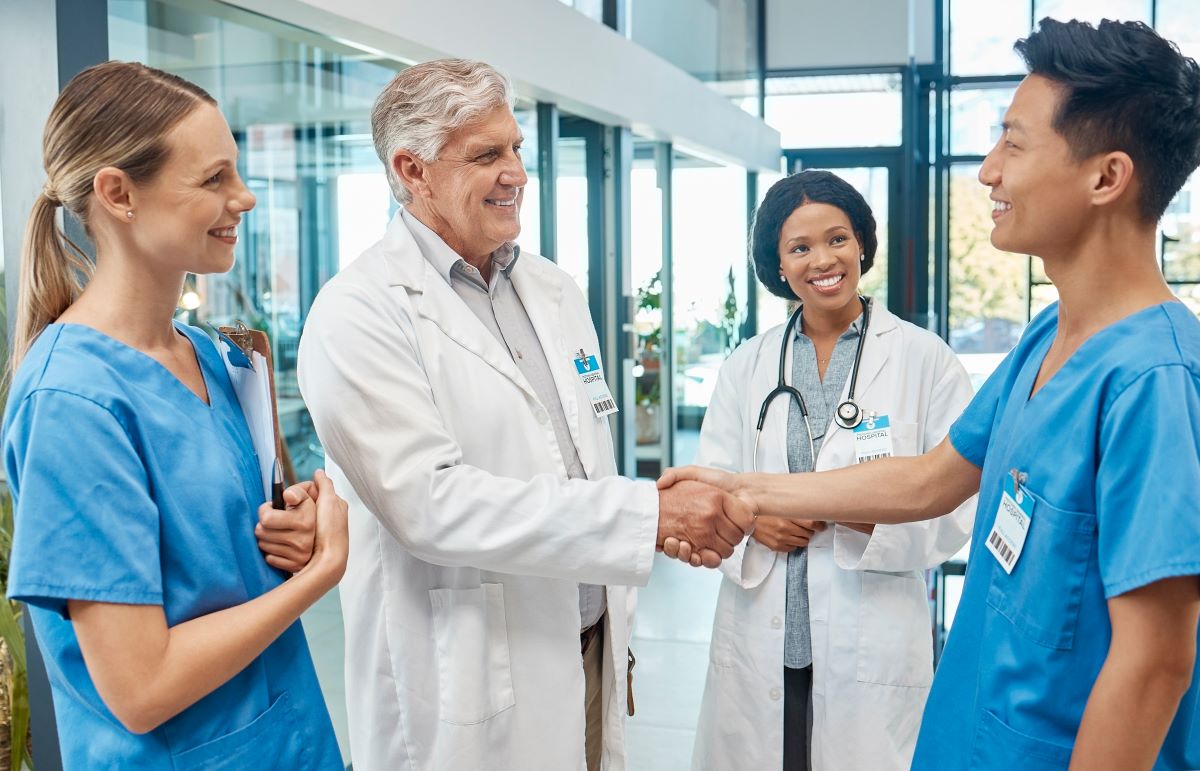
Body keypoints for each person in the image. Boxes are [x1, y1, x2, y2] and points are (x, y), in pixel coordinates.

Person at [662, 18, 1200, 771]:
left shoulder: (1155, 382)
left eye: (1013, 143)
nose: (987, 172)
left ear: (1106, 177)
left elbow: (1157, 661)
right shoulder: (1049, 337)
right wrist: (737, 485)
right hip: (970, 736)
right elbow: (928, 477)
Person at [296, 58, 752, 771]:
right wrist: (649, 517)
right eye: (486, 155)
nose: (516, 172)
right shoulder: (358, 313)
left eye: (515, 148)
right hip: (474, 681)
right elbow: (430, 504)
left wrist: (645, 520)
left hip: (589, 651)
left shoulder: (552, 288)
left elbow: (578, 453)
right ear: (412, 170)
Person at [5, 61, 348, 768]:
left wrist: (296, 528)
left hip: (291, 739)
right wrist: (319, 579)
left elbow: (224, 558)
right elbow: (142, 686)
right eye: (214, 178)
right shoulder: (72, 403)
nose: (245, 198)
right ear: (118, 193)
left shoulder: (207, 357)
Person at [689, 170, 975, 771]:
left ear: (863, 244)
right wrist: (752, 524)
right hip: (763, 632)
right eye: (800, 247)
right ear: (779, 263)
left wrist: (867, 517)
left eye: (838, 239)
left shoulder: (924, 359)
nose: (824, 259)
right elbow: (712, 481)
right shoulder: (747, 365)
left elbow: (960, 501)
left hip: (869, 640)